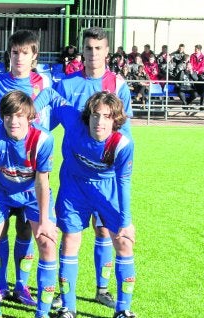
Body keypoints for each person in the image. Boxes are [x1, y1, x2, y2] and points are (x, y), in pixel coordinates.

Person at [53, 25, 133, 311]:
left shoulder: (118, 85)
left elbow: (125, 130)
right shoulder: (66, 84)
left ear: (107, 51)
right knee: (70, 237)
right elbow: (45, 124)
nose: (93, 54)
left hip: (107, 180)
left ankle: (102, 289)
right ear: (82, 51)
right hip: (74, 177)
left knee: (104, 233)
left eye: (99, 48)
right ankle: (67, 298)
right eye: (88, 48)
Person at [46, 90, 136, 318]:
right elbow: (49, 94)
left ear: (115, 120)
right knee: (69, 241)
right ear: (88, 115)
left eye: (107, 116)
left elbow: (124, 182)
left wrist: (125, 221)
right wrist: (32, 119)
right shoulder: (75, 121)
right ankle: (68, 308)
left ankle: (123, 310)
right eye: (96, 115)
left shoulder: (123, 144)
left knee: (124, 242)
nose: (100, 121)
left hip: (107, 189)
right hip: (74, 187)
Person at [0, 90, 56, 318]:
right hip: (1, 194)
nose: (13, 121)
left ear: (30, 117)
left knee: (48, 243)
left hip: (32, 194)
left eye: (19, 116)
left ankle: (41, 312)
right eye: (9, 116)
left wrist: (44, 221)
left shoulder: (43, 140)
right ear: (2, 117)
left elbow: (43, 181)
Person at [0, 29, 51, 307]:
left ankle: (22, 285)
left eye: (25, 52)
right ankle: (0, 283)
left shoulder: (44, 83)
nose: (19, 58)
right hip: (2, 170)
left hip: (30, 173)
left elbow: (53, 117)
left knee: (26, 231)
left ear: (34, 55)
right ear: (9, 54)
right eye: (15, 52)